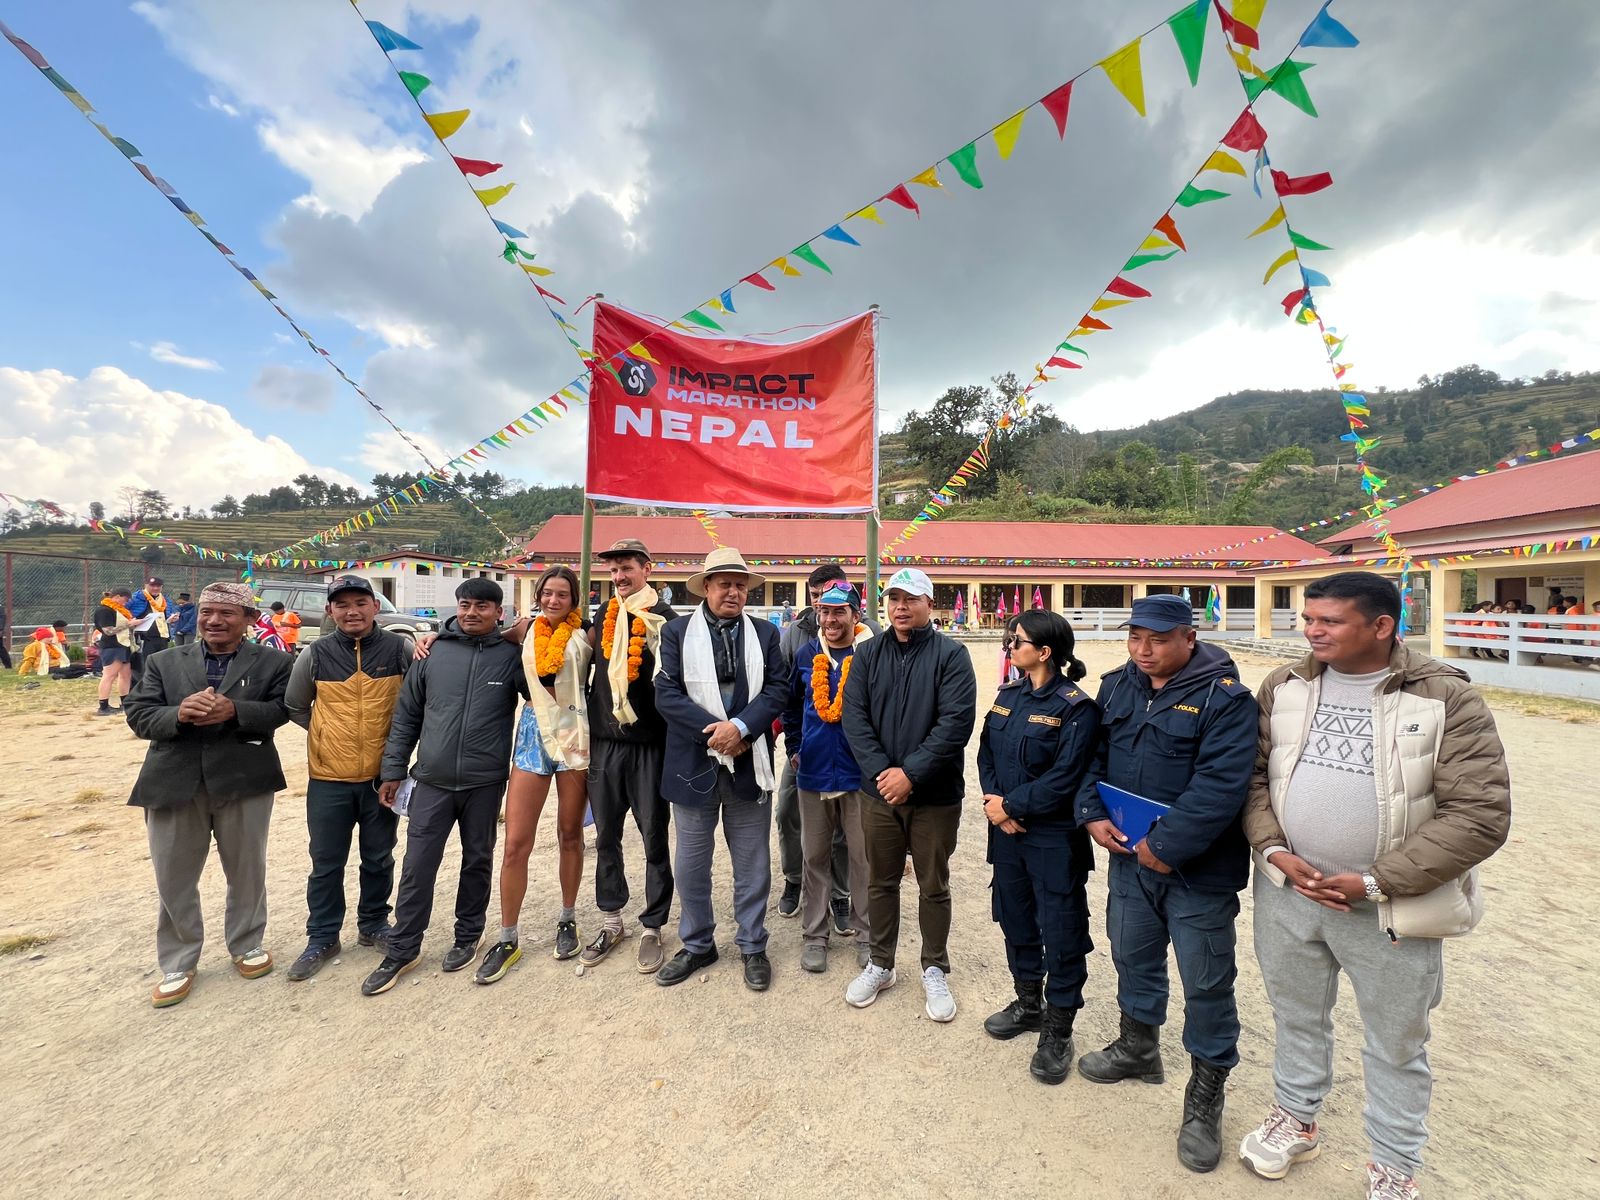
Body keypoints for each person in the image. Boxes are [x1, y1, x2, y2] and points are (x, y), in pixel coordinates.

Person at [1238, 571, 1511, 1200]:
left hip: (1390, 907)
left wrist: (1375, 881)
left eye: (1329, 621)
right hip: (1289, 892)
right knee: (1296, 1015)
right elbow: (1253, 779)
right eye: (1309, 619)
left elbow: (1479, 814)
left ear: (1382, 625)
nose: (1312, 631)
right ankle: (1296, 1117)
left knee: (1396, 1040)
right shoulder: (1285, 685)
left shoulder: (1446, 699)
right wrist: (1274, 850)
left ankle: (1394, 1163)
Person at [1074, 594, 1258, 1174]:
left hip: (1197, 872)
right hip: (1129, 858)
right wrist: (1091, 814)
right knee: (1131, 954)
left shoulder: (1226, 700)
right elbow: (1091, 758)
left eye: (1157, 639)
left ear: (1189, 638)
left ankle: (1205, 1095)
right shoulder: (1116, 687)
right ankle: (1138, 1047)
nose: (1143, 650)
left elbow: (1221, 787)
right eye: (1135, 637)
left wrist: (1166, 847)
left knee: (1206, 979)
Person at [123, 581, 294, 1008]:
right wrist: (178, 713)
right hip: (173, 780)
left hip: (244, 779)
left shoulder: (275, 662)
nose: (214, 620)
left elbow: (282, 710)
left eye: (226, 613)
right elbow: (139, 713)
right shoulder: (163, 661)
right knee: (174, 875)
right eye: (206, 612)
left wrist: (236, 710)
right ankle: (179, 961)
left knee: (247, 869)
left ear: (249, 619)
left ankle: (247, 943)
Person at [364, 579, 527, 996]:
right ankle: (403, 948)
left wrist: (532, 637)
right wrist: (393, 770)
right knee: (417, 866)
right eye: (465, 604)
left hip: (485, 781)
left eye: (482, 607)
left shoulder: (511, 656)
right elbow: (406, 716)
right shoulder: (431, 653)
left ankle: (468, 936)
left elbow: (542, 692)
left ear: (499, 612)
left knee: (478, 861)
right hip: (432, 781)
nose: (472, 613)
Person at [840, 566, 977, 1021]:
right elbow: (854, 718)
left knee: (932, 883)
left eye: (911, 599)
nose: (901, 607)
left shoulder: (951, 656)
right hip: (878, 793)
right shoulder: (867, 654)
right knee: (880, 880)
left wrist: (911, 775)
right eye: (894, 599)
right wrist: (884, 773)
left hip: (934, 795)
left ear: (929, 605)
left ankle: (934, 967)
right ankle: (881, 962)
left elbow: (955, 724)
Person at [653, 547, 789, 991]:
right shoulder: (675, 633)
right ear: (706, 587)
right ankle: (697, 944)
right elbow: (666, 695)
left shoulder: (765, 633)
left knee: (753, 863)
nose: (733, 592)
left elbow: (778, 689)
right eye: (724, 584)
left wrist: (743, 728)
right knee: (691, 865)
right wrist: (718, 734)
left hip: (750, 761)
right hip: (694, 762)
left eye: (740, 585)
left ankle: (752, 943)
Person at [978, 610, 1099, 1085]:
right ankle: (1029, 1003)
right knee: (1015, 917)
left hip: (1051, 838)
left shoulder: (1075, 708)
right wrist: (995, 804)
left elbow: (1066, 777)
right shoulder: (1009, 695)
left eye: (1018, 640)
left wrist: (1010, 806)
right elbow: (986, 753)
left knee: (1062, 930)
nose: (1010, 645)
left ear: (1044, 652)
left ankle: (1059, 1029)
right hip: (1006, 832)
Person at [282, 575, 413, 981]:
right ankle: (322, 936)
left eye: (360, 602)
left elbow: (415, 706)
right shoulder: (315, 653)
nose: (352, 611)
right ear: (330, 611)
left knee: (379, 856)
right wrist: (327, 737)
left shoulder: (400, 649)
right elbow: (295, 705)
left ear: (376, 606)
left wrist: (396, 759)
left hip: (382, 778)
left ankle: (373, 924)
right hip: (328, 779)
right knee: (326, 862)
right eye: (342, 604)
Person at [473, 566, 592, 984]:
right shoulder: (524, 631)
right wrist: (434, 636)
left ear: (574, 600)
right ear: (538, 595)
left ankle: (568, 917)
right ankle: (508, 936)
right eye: (547, 593)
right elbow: (478, 633)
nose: (553, 601)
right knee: (515, 842)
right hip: (532, 733)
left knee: (570, 834)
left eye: (563, 594)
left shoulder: (585, 635)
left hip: (575, 733)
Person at [578, 539, 678, 974]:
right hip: (606, 743)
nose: (619, 577)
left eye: (627, 569)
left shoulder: (667, 620)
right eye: (614, 570)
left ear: (647, 569)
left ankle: (653, 925)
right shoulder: (605, 613)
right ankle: (611, 920)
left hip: (650, 746)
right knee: (606, 837)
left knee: (654, 836)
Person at [775, 564, 882, 928]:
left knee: (861, 854)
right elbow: (790, 703)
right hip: (813, 766)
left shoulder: (871, 653)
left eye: (839, 611)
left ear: (856, 615)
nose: (831, 619)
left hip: (859, 772)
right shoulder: (805, 651)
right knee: (812, 850)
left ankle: (863, 929)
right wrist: (794, 747)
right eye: (824, 610)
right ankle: (814, 930)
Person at [93, 586, 136, 716]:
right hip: (111, 646)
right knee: (109, 675)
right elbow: (108, 631)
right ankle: (103, 706)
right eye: (125, 600)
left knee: (125, 675)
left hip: (124, 644)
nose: (126, 603)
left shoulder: (120, 610)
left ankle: (125, 703)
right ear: (117, 597)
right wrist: (129, 624)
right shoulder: (104, 610)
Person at [127, 576, 171, 672]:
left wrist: (171, 618)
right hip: (144, 638)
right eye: (152, 586)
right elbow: (122, 610)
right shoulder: (136, 597)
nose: (155, 588)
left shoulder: (165, 599)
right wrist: (130, 621)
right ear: (146, 585)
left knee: (161, 665)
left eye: (158, 586)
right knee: (146, 665)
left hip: (163, 636)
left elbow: (167, 615)